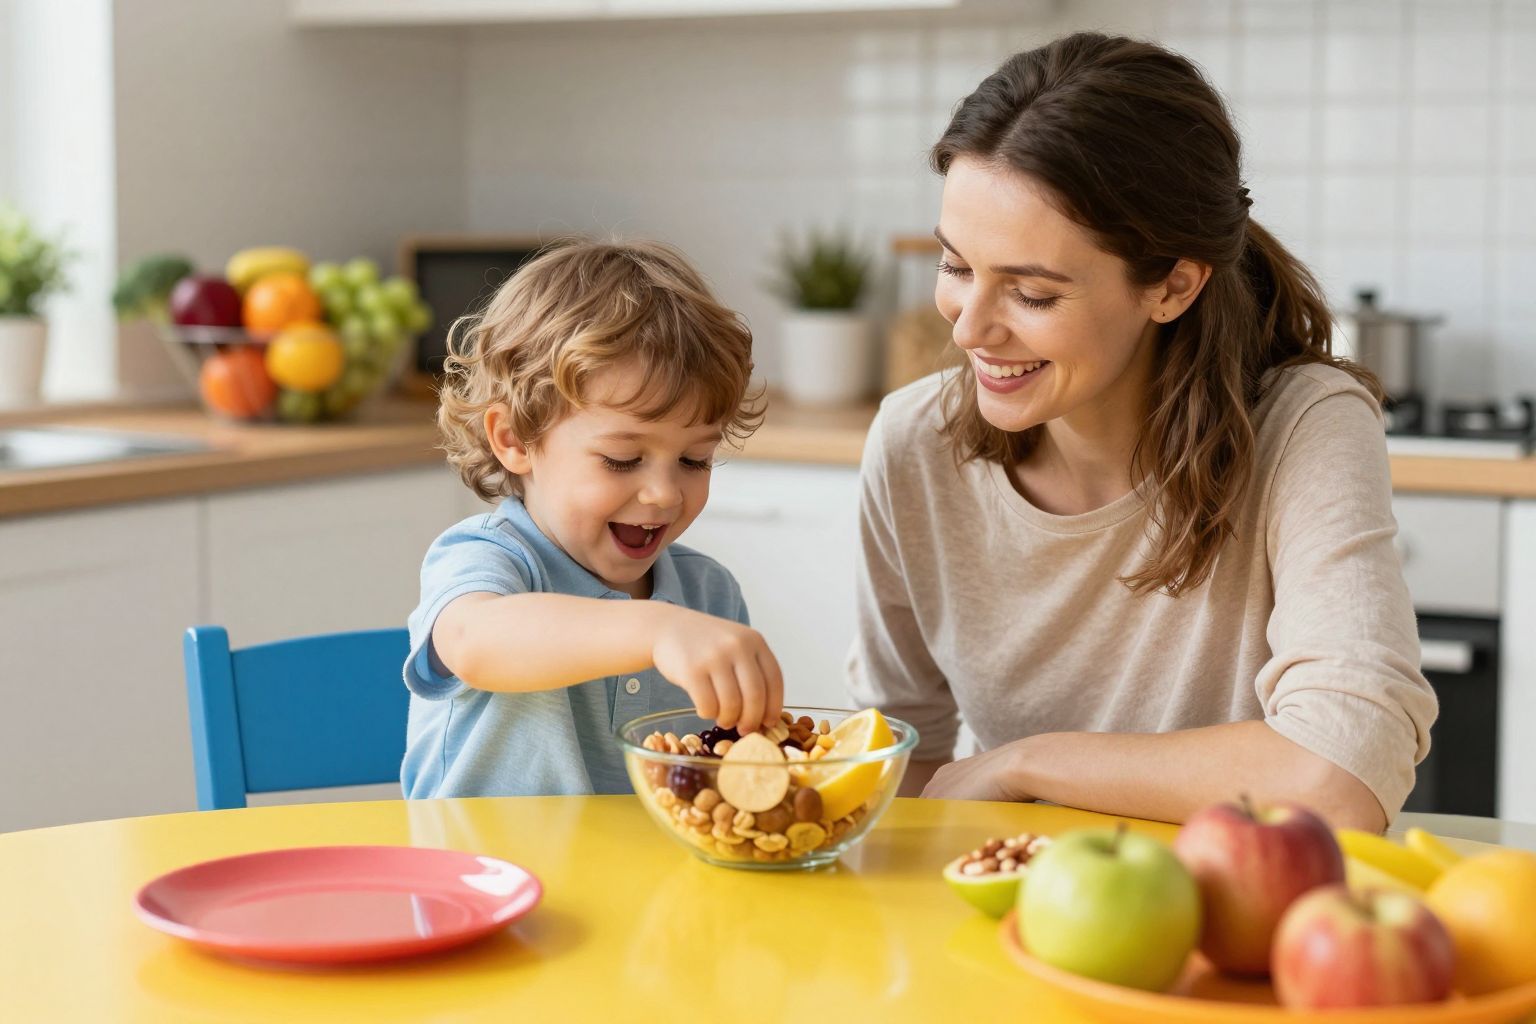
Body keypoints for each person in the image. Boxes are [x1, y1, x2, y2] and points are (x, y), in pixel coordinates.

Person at [847, 32, 1436, 831]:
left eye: (1032, 294)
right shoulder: (914, 443)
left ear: (1172, 285)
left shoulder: (1306, 426)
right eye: (956, 267)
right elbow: (903, 755)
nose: (969, 330)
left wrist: (1023, 763)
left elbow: (1340, 774)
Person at [402, 239, 782, 798]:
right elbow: (473, 643)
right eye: (622, 459)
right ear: (514, 439)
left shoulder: (709, 595)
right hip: (484, 879)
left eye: (694, 460)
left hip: (647, 882)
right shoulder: (489, 559)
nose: (662, 494)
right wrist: (656, 629)